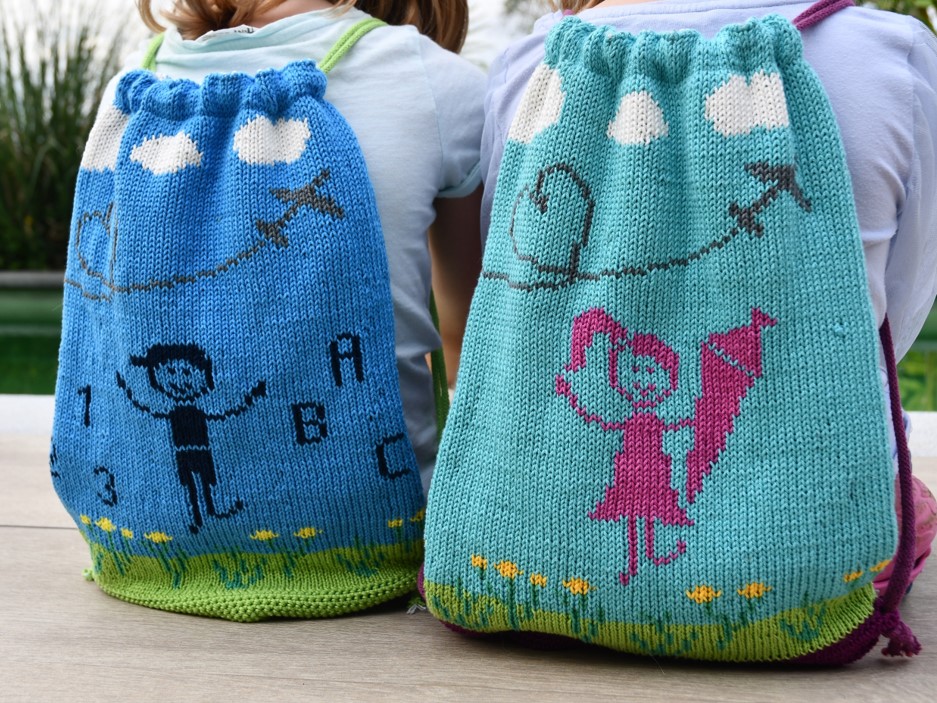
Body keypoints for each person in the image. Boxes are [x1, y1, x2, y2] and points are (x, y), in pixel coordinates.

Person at [480, 0, 937, 592]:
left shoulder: (531, 62)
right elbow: (899, 302)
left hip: (538, 522)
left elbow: (513, 306)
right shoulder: (895, 53)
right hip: (813, 506)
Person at [130, 0, 486, 495]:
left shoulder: (135, 84)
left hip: (137, 523)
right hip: (381, 518)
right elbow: (470, 334)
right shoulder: (438, 80)